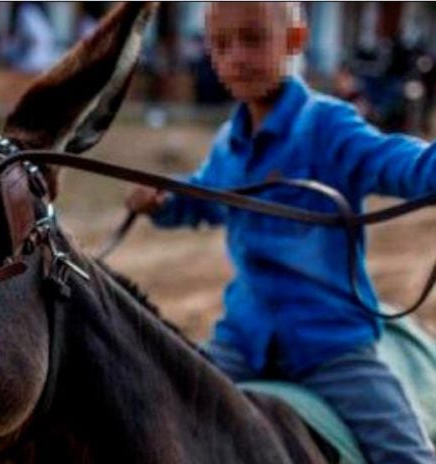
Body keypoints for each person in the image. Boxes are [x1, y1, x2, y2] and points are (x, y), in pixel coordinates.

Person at [126, 3, 436, 463]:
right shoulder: (229, 143)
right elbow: (205, 197)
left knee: (405, 452)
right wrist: (164, 202)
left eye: (252, 40)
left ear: (294, 41)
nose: (235, 58)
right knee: (152, 416)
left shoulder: (327, 125)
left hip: (332, 346)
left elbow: (398, 162)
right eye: (221, 45)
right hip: (242, 342)